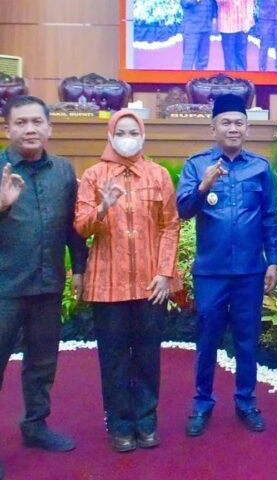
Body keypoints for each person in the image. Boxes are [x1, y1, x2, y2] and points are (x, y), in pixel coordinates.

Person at [0, 95, 88, 480]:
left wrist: (80, 269)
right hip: (1, 289)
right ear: (8, 129)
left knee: (42, 365)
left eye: (37, 121)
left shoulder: (63, 171)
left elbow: (73, 226)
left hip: (47, 286)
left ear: (49, 127)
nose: (30, 129)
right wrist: (0, 206)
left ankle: (35, 426)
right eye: (21, 123)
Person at [74, 110, 181, 453]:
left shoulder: (158, 175)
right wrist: (102, 207)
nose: (127, 138)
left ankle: (146, 421)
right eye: (120, 132)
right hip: (108, 285)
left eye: (133, 132)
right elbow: (81, 227)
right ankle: (120, 424)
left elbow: (170, 226)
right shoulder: (94, 175)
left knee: (148, 355)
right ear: (110, 136)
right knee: (114, 358)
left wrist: (165, 272)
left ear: (143, 135)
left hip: (152, 284)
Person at [176, 94, 277, 437]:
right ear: (213, 128)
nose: (233, 128)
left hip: (250, 271)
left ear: (247, 128)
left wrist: (273, 261)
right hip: (211, 272)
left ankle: (246, 402)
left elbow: (270, 219)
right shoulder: (196, 165)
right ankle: (202, 403)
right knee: (207, 338)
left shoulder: (260, 168)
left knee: (247, 339)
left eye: (239, 123)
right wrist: (203, 187)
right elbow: (182, 211)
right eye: (226, 122)